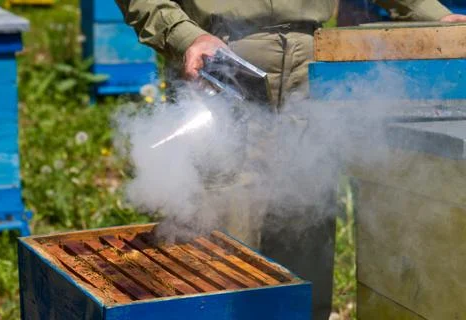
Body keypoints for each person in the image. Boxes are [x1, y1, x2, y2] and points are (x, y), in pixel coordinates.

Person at [115, 1, 466, 319]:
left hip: (310, 71)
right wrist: (184, 36)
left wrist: (434, 15)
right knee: (213, 253)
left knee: (304, 240)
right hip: (216, 66)